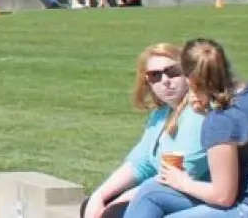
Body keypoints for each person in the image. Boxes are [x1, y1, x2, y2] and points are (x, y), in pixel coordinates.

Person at [125, 39, 248, 218]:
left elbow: (223, 196)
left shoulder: (220, 120)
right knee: (151, 192)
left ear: (189, 79)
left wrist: (182, 182)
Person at [79, 44, 211, 218]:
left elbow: (177, 175)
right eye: (155, 75)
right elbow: (140, 164)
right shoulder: (161, 115)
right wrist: (100, 195)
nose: (165, 80)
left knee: (114, 212)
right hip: (162, 191)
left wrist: (119, 202)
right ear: (148, 82)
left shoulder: (197, 113)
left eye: (172, 71)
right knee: (92, 204)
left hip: (196, 195)